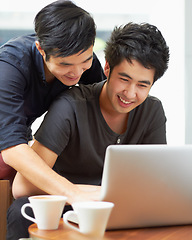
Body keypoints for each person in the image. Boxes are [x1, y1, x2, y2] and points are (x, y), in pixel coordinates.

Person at [7, 22, 169, 239]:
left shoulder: (152, 111)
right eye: (124, 79)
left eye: (142, 85)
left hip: (116, 208)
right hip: (66, 204)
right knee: (22, 212)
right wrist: (82, 192)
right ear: (107, 68)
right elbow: (22, 187)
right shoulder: (70, 106)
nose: (130, 94)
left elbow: (155, 182)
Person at [0, 0, 105, 184]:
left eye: (85, 62)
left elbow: (105, 105)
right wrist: (73, 192)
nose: (77, 72)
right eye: (65, 64)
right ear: (40, 48)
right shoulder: (10, 66)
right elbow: (12, 148)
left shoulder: (81, 57)